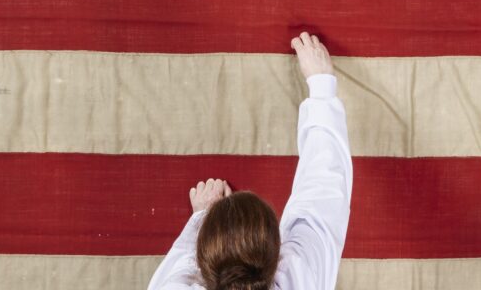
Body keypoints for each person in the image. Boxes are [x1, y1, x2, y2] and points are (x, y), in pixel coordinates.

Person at [145, 32, 352, 290]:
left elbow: (173, 276)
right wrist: (321, 85)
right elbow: (323, 188)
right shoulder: (302, 275)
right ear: (277, 254)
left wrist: (201, 218)